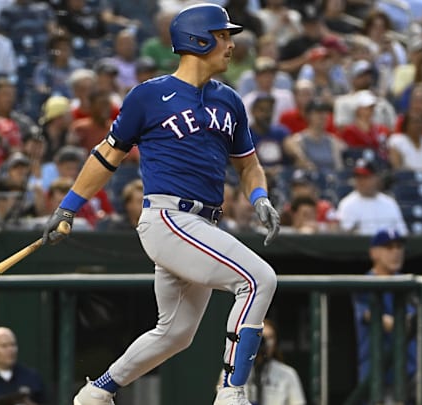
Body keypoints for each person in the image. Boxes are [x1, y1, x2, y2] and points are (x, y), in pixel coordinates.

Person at [39, 4, 281, 405]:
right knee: (258, 279)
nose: (230, 43)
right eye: (222, 35)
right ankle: (231, 392)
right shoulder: (149, 95)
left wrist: (260, 197)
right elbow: (106, 156)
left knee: (175, 333)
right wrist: (68, 207)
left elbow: (249, 164)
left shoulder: (231, 101)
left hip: (204, 224)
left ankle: (95, 394)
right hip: (168, 218)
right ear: (197, 40)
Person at [352, 229, 417, 404]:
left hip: (409, 370)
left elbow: (413, 322)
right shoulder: (364, 284)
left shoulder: (408, 282)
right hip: (379, 373)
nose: (396, 252)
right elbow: (372, 317)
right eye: (388, 247)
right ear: (374, 253)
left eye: (399, 247)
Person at [336, 159, 408, 236]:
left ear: (376, 178)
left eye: (365, 177)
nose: (361, 181)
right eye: (358, 177)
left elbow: (403, 233)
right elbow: (344, 236)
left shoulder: (390, 203)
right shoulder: (347, 204)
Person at [243, 319, 306, 405]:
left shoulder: (288, 374)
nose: (265, 343)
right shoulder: (234, 371)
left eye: (270, 338)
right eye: (261, 337)